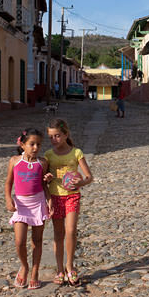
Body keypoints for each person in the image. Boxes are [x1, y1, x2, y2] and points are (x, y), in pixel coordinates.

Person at [45, 118, 93, 286]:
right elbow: (43, 180)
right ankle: (59, 270)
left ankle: (70, 267)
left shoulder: (76, 153)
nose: (54, 140)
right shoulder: (48, 155)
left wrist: (80, 183)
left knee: (71, 231)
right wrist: (48, 178)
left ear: (66, 135)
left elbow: (89, 177)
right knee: (58, 235)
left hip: (72, 195)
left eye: (57, 136)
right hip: (55, 196)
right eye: (51, 137)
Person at [4, 128, 54, 290]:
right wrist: (8, 199)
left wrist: (50, 200)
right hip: (21, 206)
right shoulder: (14, 161)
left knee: (37, 241)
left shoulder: (43, 162)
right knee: (19, 242)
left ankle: (34, 272)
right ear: (22, 144)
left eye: (38, 144)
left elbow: (44, 185)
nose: (35, 147)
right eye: (32, 144)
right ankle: (24, 266)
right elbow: (8, 183)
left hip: (38, 204)